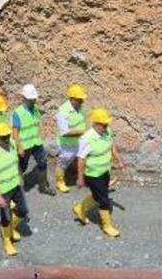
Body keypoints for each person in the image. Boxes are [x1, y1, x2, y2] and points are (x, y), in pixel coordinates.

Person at [73, 107, 124, 238]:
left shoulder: (107, 132)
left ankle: (80, 208)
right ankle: (107, 226)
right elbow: (81, 159)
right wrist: (80, 177)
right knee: (104, 200)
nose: (106, 127)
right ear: (95, 123)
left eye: (107, 124)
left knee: (98, 196)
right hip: (93, 174)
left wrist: (119, 160)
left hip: (105, 170)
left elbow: (112, 147)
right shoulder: (87, 138)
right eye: (103, 124)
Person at [0, 122, 28, 256]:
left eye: (8, 136)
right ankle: (7, 241)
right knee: (6, 216)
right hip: (3, 190)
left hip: (15, 185)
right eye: (3, 137)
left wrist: (20, 179)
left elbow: (16, 164)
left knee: (23, 210)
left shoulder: (11, 144)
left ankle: (11, 228)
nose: (6, 139)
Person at [12, 84, 56, 196]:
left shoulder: (35, 109)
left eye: (34, 98)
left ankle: (43, 187)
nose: (33, 101)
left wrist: (42, 134)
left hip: (36, 142)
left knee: (43, 162)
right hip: (24, 145)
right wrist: (19, 147)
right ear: (24, 98)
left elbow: (37, 124)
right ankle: (16, 188)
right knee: (22, 167)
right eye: (30, 99)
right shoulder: (18, 113)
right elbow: (15, 132)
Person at [53, 84, 88, 193]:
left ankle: (83, 177)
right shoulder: (63, 111)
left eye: (82, 99)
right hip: (67, 145)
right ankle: (60, 182)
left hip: (79, 142)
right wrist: (83, 132)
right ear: (72, 98)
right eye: (79, 99)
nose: (82, 101)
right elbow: (65, 133)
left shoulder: (79, 108)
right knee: (62, 164)